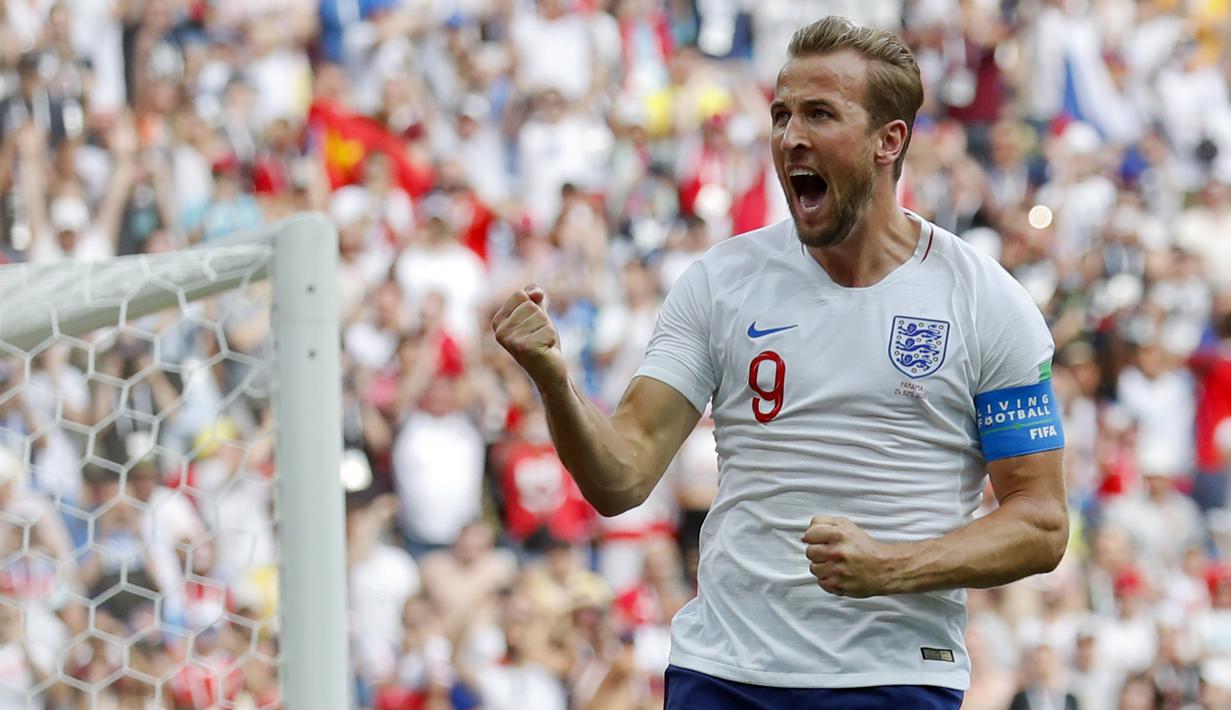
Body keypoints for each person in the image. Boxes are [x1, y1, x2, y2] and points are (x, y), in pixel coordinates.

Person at [492, 15, 1068, 709]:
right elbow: (621, 476)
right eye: (780, 113)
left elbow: (1039, 522)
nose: (789, 136)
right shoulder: (720, 281)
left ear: (890, 140)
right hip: (722, 674)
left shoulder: (986, 303)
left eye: (819, 114)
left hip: (888, 679)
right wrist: (555, 381)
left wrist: (890, 567)